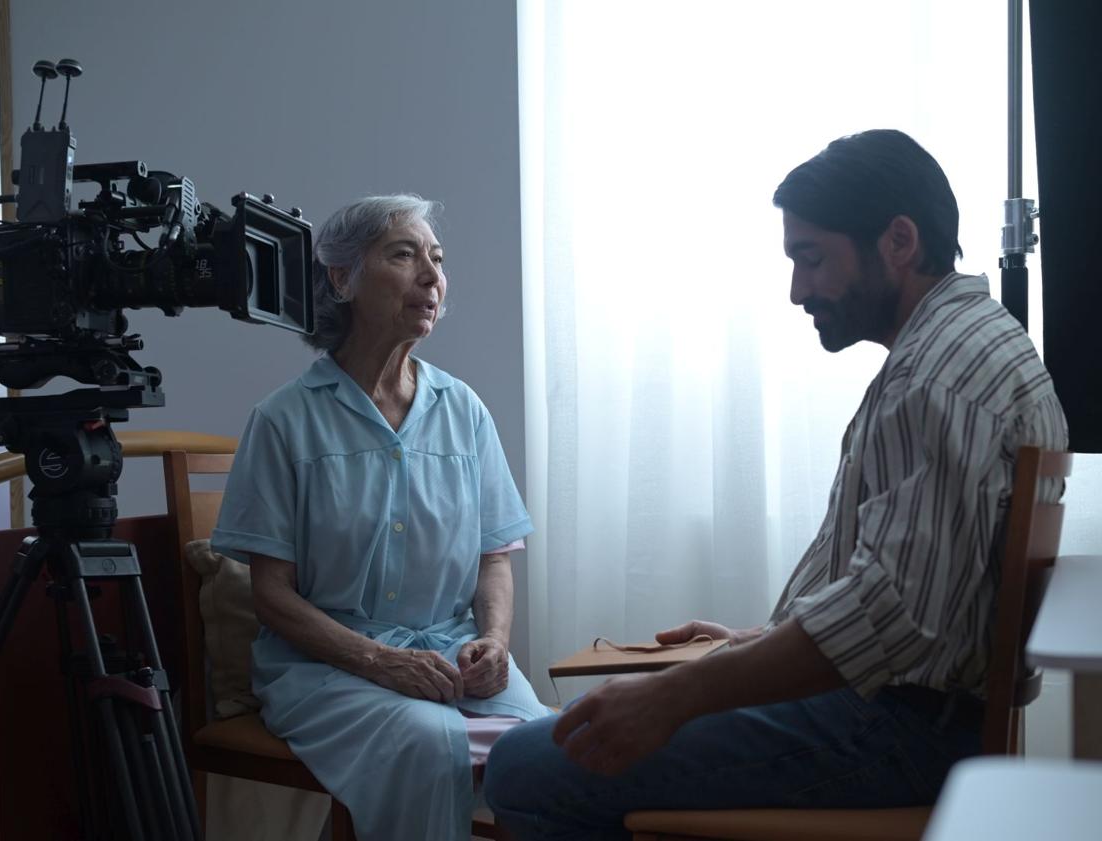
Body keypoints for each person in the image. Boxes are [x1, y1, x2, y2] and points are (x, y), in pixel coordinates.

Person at [483, 129, 1069, 840]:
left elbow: (893, 615)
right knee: (581, 731)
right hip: (914, 718)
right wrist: (751, 646)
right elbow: (917, 595)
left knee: (525, 766)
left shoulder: (937, 375)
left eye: (812, 259)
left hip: (899, 736)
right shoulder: (973, 348)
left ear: (899, 240)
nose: (798, 290)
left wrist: (679, 693)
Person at [210, 194, 549, 841]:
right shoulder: (285, 419)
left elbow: (493, 556)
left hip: (449, 652)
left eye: (438, 259)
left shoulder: (464, 409)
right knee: (426, 745)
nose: (432, 275)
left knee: (551, 748)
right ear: (341, 278)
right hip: (324, 666)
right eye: (403, 254)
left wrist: (497, 642)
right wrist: (378, 659)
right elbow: (270, 593)